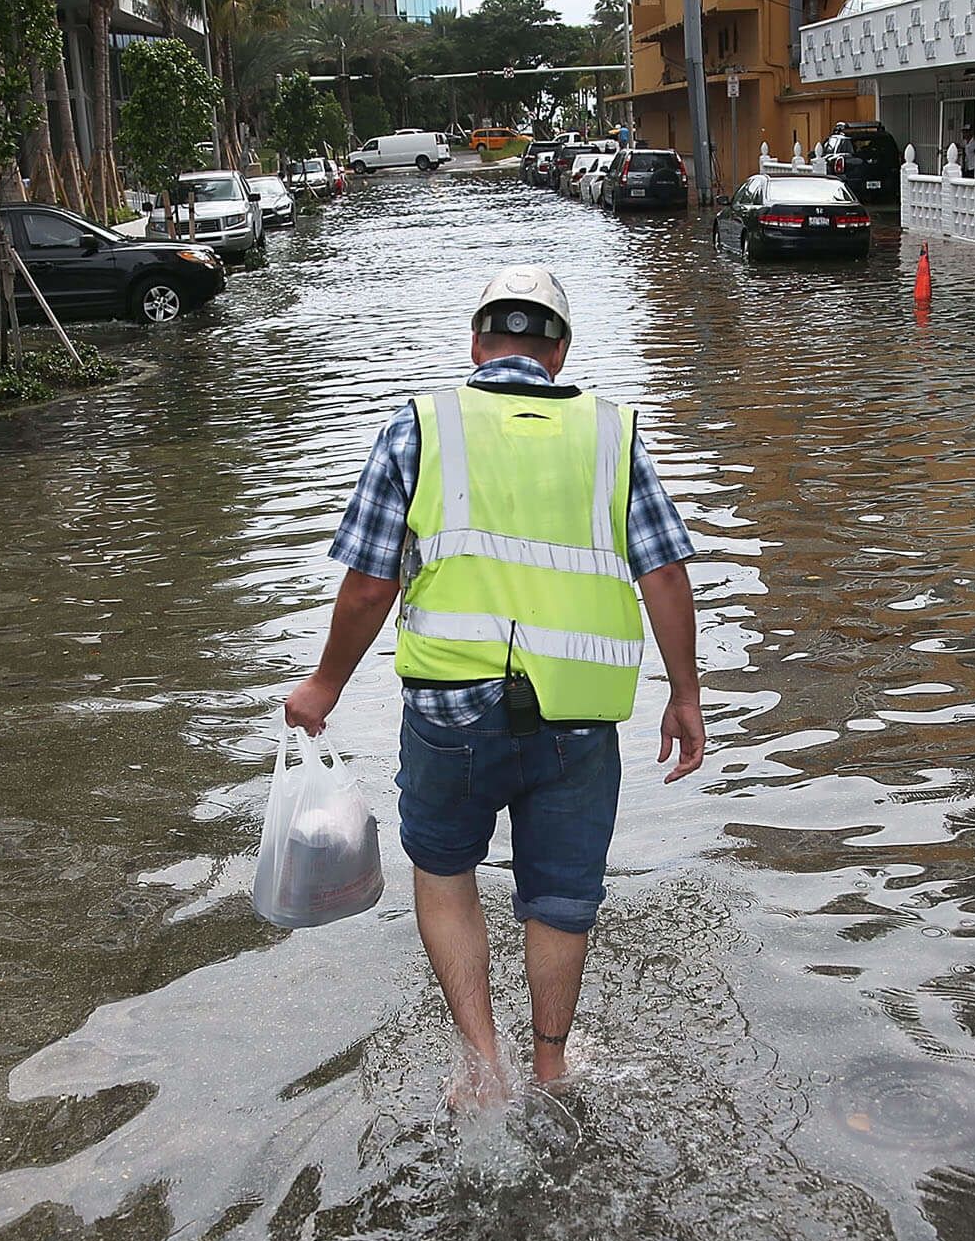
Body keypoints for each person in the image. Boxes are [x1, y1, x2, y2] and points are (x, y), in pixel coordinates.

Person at [285, 266, 704, 1105]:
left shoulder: (420, 426)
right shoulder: (614, 435)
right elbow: (663, 573)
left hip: (451, 713)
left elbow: (370, 584)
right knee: (560, 894)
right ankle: (552, 1066)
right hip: (578, 717)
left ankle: (484, 1067)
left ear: (477, 343)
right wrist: (685, 694)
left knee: (444, 871)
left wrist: (326, 685)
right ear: (560, 349)